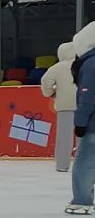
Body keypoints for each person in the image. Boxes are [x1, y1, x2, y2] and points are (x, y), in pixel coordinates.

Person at [63, 23, 95, 215]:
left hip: (93, 124)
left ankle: (82, 200)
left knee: (85, 162)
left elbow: (88, 96)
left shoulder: (91, 63)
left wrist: (80, 123)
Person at [41, 39, 81, 173]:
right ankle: (83, 164)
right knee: (83, 136)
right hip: (83, 104)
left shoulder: (56, 68)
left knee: (64, 137)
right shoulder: (82, 65)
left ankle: (62, 165)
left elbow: (46, 81)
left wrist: (50, 93)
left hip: (64, 105)